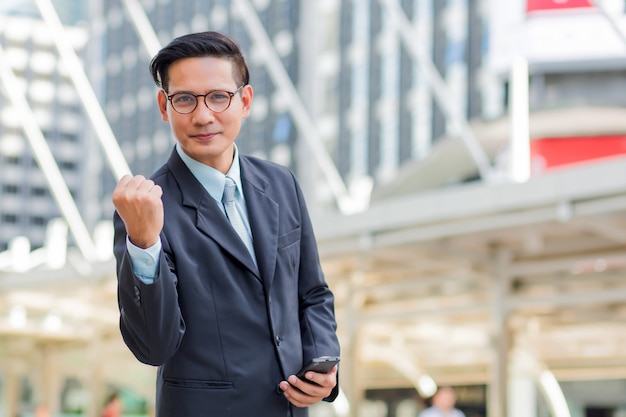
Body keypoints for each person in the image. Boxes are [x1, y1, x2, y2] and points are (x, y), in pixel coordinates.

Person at [111, 31, 340, 417]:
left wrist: (323, 360)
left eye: (219, 97)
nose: (203, 116)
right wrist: (145, 243)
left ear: (245, 101)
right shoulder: (145, 207)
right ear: (164, 107)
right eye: (184, 99)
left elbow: (312, 292)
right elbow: (154, 346)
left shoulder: (281, 184)